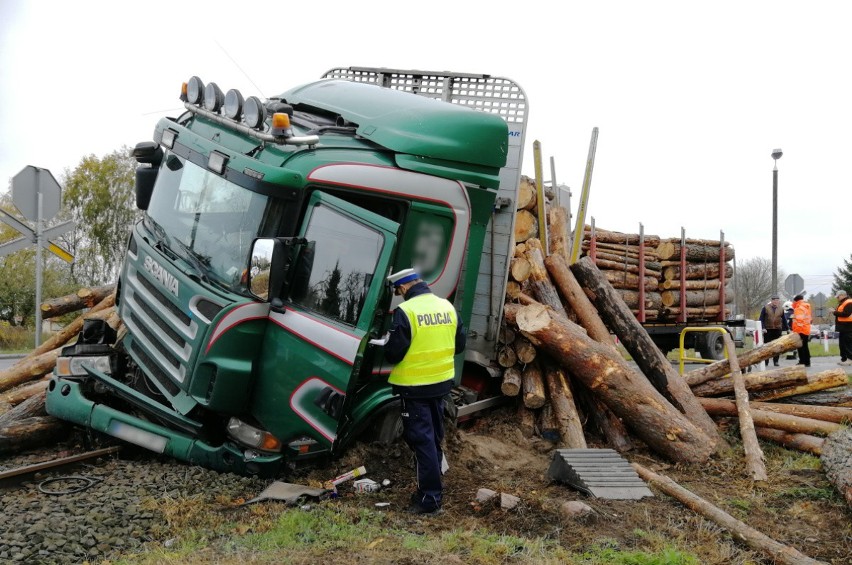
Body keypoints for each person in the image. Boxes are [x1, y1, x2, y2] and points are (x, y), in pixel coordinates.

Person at [383, 267, 466, 516]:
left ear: (405, 287)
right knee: (433, 438)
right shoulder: (446, 307)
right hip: (440, 385)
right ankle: (434, 486)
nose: (399, 295)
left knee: (422, 442)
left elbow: (394, 352)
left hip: (415, 387)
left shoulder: (406, 312)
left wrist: (387, 343)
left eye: (398, 290)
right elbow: (459, 344)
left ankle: (429, 499)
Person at [758, 295, 788, 366]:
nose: (776, 301)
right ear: (771, 301)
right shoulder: (765, 308)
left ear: (778, 301)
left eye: (777, 300)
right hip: (768, 329)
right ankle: (766, 361)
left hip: (777, 329)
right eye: (774, 300)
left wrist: (787, 328)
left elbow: (784, 319)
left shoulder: (781, 309)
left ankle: (776, 361)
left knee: (777, 346)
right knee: (767, 346)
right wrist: (763, 328)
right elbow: (761, 319)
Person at [790, 294, 812, 367]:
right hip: (806, 329)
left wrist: (796, 331)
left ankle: (802, 361)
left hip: (800, 330)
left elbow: (799, 320)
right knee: (805, 346)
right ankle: (807, 362)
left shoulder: (799, 308)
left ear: (796, 301)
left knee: (801, 347)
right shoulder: (806, 306)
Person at [832, 290, 852, 366]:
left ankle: (850, 359)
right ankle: (844, 359)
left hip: (848, 327)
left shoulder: (849, 302)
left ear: (843, 295)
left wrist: (834, 312)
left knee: (848, 344)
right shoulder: (843, 303)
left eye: (838, 296)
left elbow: (846, 314)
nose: (837, 298)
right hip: (844, 328)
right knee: (843, 344)